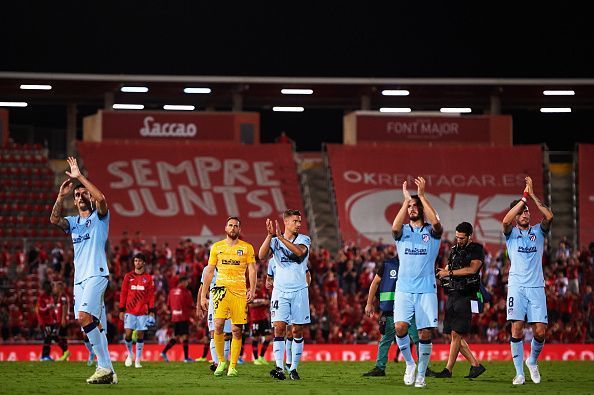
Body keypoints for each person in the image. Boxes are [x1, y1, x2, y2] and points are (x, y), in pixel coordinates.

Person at [50, 157, 116, 384]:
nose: (80, 197)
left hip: (97, 274)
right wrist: (61, 196)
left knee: (83, 317)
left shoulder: (100, 217)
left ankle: (104, 367)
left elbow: (102, 198)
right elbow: (54, 218)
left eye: (83, 194)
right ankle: (109, 371)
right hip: (79, 279)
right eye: (77, 195)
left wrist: (79, 178)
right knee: (94, 324)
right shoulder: (73, 222)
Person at [502, 176, 553, 385]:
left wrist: (531, 195)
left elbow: (549, 216)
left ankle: (532, 361)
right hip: (516, 286)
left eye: (526, 211)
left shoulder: (538, 233)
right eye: (521, 212)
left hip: (536, 286)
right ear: (516, 217)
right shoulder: (511, 233)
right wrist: (522, 199)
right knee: (516, 328)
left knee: (540, 332)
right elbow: (505, 221)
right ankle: (519, 373)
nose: (525, 214)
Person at [391, 177, 442, 388]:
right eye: (410, 206)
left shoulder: (432, 232)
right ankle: (410, 364)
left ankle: (421, 375)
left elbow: (437, 224)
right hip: (403, 288)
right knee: (400, 327)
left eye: (415, 206)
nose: (412, 209)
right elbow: (394, 228)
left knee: (425, 333)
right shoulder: (403, 232)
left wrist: (421, 195)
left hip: (426, 289)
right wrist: (405, 201)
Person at [200, 216, 257, 377]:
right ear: (226, 228)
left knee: (236, 330)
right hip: (220, 291)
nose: (233, 228)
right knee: (217, 326)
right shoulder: (216, 247)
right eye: (230, 225)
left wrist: (252, 290)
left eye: (236, 226)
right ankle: (221, 362)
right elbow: (210, 271)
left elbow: (252, 270)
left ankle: (232, 366)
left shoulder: (247, 248)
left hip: (239, 291)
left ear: (239, 229)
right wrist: (204, 295)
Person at [259, 209, 311, 381]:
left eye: (299, 221)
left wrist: (280, 238)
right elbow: (261, 255)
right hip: (280, 291)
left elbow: (299, 253)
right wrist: (269, 236)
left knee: (297, 330)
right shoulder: (274, 240)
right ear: (286, 222)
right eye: (295, 221)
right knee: (279, 328)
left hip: (299, 290)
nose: (298, 224)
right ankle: (279, 368)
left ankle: (294, 368)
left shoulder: (304, 239)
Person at [435, 222, 487, 379]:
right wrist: (443, 271)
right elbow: (449, 266)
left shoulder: (476, 249)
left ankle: (448, 370)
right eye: (456, 237)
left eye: (461, 238)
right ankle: (475, 365)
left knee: (456, 334)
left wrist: (448, 272)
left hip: (466, 294)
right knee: (453, 334)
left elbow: (472, 269)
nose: (458, 240)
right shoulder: (454, 249)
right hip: (453, 293)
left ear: (469, 236)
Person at [363, 252, 420, 377]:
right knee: (387, 339)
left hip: (408, 309)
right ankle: (379, 368)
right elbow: (375, 283)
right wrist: (369, 303)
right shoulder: (387, 264)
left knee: (417, 338)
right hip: (391, 310)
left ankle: (423, 368)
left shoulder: (414, 264)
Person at [119, 253, 155, 368]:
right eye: (135, 261)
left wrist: (152, 309)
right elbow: (123, 293)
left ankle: (138, 361)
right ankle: (130, 354)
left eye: (139, 261)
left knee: (140, 334)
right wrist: (121, 309)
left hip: (142, 311)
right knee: (128, 334)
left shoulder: (148, 278)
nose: (137, 263)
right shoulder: (128, 277)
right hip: (129, 310)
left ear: (143, 262)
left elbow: (151, 295)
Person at [196, 266, 232, 371]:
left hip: (227, 299)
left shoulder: (228, 266)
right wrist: (199, 306)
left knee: (226, 334)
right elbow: (202, 288)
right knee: (213, 332)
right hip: (213, 300)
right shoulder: (207, 269)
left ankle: (223, 363)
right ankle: (217, 363)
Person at [161, 276, 194, 362]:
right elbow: (190, 305)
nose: (187, 284)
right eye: (187, 282)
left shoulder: (171, 291)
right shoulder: (186, 292)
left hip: (175, 317)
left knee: (176, 337)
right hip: (183, 317)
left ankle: (164, 352)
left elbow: (168, 305)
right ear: (183, 282)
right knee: (184, 336)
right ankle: (186, 358)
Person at [248, 280, 272, 365]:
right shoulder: (251, 291)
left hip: (264, 318)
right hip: (255, 318)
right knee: (256, 338)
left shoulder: (264, 291)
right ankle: (255, 358)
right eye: (258, 280)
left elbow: (268, 302)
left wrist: (267, 303)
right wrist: (262, 303)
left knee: (269, 337)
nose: (260, 282)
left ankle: (261, 357)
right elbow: (249, 305)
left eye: (261, 281)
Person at [37, 280, 59, 361]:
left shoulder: (50, 297)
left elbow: (52, 310)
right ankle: (44, 356)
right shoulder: (41, 297)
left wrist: (55, 319)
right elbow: (40, 309)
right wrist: (47, 307)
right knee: (47, 338)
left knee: (49, 338)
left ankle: (46, 355)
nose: (50, 288)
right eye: (49, 286)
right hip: (44, 322)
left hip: (50, 321)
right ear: (45, 287)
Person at [52, 280, 71, 361]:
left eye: (55, 287)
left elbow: (64, 306)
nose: (54, 289)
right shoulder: (60, 297)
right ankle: (64, 355)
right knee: (63, 338)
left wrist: (63, 319)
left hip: (61, 321)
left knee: (54, 336)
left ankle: (66, 352)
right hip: (59, 320)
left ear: (59, 287)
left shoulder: (63, 296)